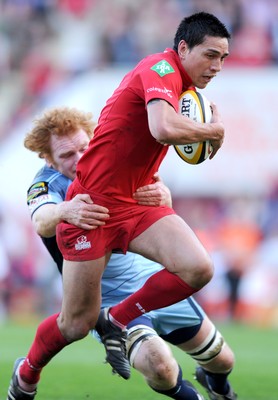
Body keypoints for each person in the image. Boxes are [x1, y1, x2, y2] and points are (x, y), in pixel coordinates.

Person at [7, 11, 232, 399]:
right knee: (76, 325)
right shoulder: (159, 67)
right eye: (211, 55)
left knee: (199, 268)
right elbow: (162, 129)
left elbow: (150, 145)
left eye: (223, 58)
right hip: (93, 212)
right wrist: (212, 129)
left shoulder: (183, 91)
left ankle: (118, 319)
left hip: (134, 206)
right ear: (183, 48)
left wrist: (163, 190)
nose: (217, 66)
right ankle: (27, 373)